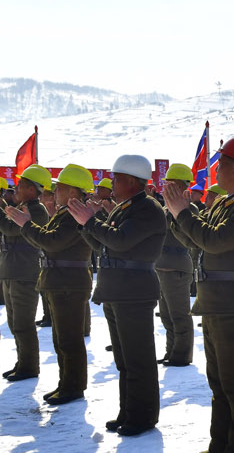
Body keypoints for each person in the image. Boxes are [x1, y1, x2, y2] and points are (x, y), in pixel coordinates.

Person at [164, 137, 234, 453]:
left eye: (222, 164)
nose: (216, 169)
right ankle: (221, 441)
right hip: (218, 303)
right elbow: (199, 242)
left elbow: (213, 240)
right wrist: (177, 216)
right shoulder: (226, 204)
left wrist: (183, 214)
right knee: (220, 381)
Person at [71, 155, 168, 436]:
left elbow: (119, 240)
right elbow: (103, 245)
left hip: (134, 291)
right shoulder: (125, 208)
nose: (112, 183)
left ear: (130, 181)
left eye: (117, 178)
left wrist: (91, 222)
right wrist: (85, 224)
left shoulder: (147, 209)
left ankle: (143, 416)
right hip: (119, 289)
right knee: (124, 360)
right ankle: (128, 411)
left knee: (139, 359)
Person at [7, 164, 94, 405]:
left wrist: (26, 224)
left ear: (74, 193)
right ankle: (66, 383)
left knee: (69, 339)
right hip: (61, 282)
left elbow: (51, 242)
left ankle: (73, 386)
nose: (55, 192)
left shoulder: (73, 215)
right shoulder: (65, 213)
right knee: (61, 338)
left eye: (61, 188)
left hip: (69, 284)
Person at [0, 165, 51, 381]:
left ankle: (29, 366)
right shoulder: (23, 206)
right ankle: (22, 362)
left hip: (24, 272)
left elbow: (11, 228)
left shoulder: (37, 210)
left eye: (21, 184)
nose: (16, 188)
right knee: (14, 323)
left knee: (23, 323)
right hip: (12, 270)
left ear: (32, 189)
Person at [154, 163, 196, 368]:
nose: (166, 187)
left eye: (172, 184)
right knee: (166, 315)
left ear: (182, 187)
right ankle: (171, 351)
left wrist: (176, 210)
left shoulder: (189, 209)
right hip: (161, 267)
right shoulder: (163, 209)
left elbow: (188, 236)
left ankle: (182, 354)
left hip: (177, 268)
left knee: (179, 315)